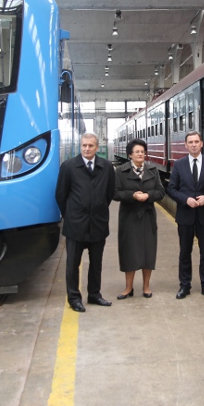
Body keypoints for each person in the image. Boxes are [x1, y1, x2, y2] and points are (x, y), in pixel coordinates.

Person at [55, 133, 116, 312]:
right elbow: (61, 194)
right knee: (73, 264)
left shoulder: (106, 167)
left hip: (98, 223)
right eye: (84, 145)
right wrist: (70, 215)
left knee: (96, 263)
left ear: (97, 147)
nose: (87, 149)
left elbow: (110, 192)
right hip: (75, 225)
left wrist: (98, 209)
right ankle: (74, 298)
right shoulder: (68, 166)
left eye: (90, 145)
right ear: (80, 146)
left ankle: (94, 294)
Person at [167, 131, 204, 299]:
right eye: (190, 142)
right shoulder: (179, 164)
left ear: (202, 144)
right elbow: (171, 189)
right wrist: (185, 199)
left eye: (196, 142)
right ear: (185, 145)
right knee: (185, 252)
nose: (193, 145)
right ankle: (185, 286)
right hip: (185, 215)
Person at [114, 139, 166, 299]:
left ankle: (146, 287)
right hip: (129, 217)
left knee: (148, 252)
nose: (140, 154)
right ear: (130, 155)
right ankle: (128, 288)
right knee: (128, 251)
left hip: (147, 217)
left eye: (142, 152)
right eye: (137, 152)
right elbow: (114, 193)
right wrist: (132, 195)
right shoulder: (120, 171)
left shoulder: (153, 170)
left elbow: (161, 191)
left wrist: (148, 195)